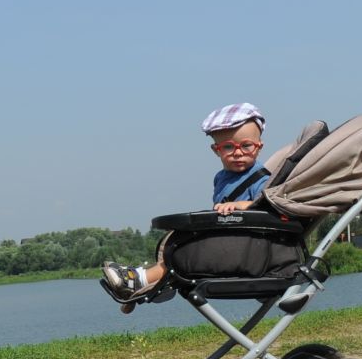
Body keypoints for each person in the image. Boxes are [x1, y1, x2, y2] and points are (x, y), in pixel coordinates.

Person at [99, 102, 271, 311]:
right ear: (216, 150)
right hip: (227, 240)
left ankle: (140, 279)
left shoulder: (260, 176)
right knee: (177, 242)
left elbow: (266, 203)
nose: (238, 153)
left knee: (182, 255)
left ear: (259, 146)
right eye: (228, 147)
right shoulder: (221, 177)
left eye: (246, 145)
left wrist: (241, 205)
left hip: (245, 247)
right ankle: (138, 290)